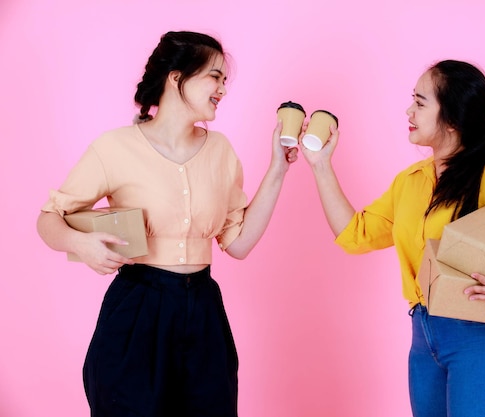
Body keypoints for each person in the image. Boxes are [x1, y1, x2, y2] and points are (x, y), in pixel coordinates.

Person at [36, 31, 298, 417]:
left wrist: (278, 166)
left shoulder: (221, 150)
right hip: (138, 304)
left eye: (225, 80)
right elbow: (48, 219)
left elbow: (238, 244)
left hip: (204, 308)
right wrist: (80, 243)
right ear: (177, 78)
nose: (223, 89)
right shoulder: (114, 147)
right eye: (215, 76)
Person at [301, 59, 485, 417]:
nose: (409, 110)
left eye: (420, 102)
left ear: (451, 118)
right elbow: (357, 234)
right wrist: (320, 165)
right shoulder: (410, 180)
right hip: (424, 335)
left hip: (484, 333)